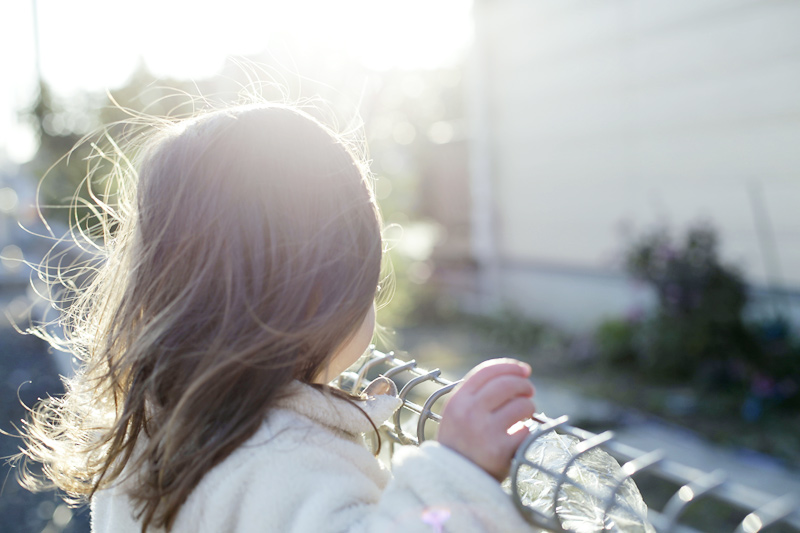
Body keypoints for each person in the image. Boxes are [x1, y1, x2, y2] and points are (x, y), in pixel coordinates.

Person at [16, 102, 537, 532]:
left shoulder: (158, 432)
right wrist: (458, 472)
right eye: (367, 284)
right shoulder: (281, 459)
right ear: (318, 293)